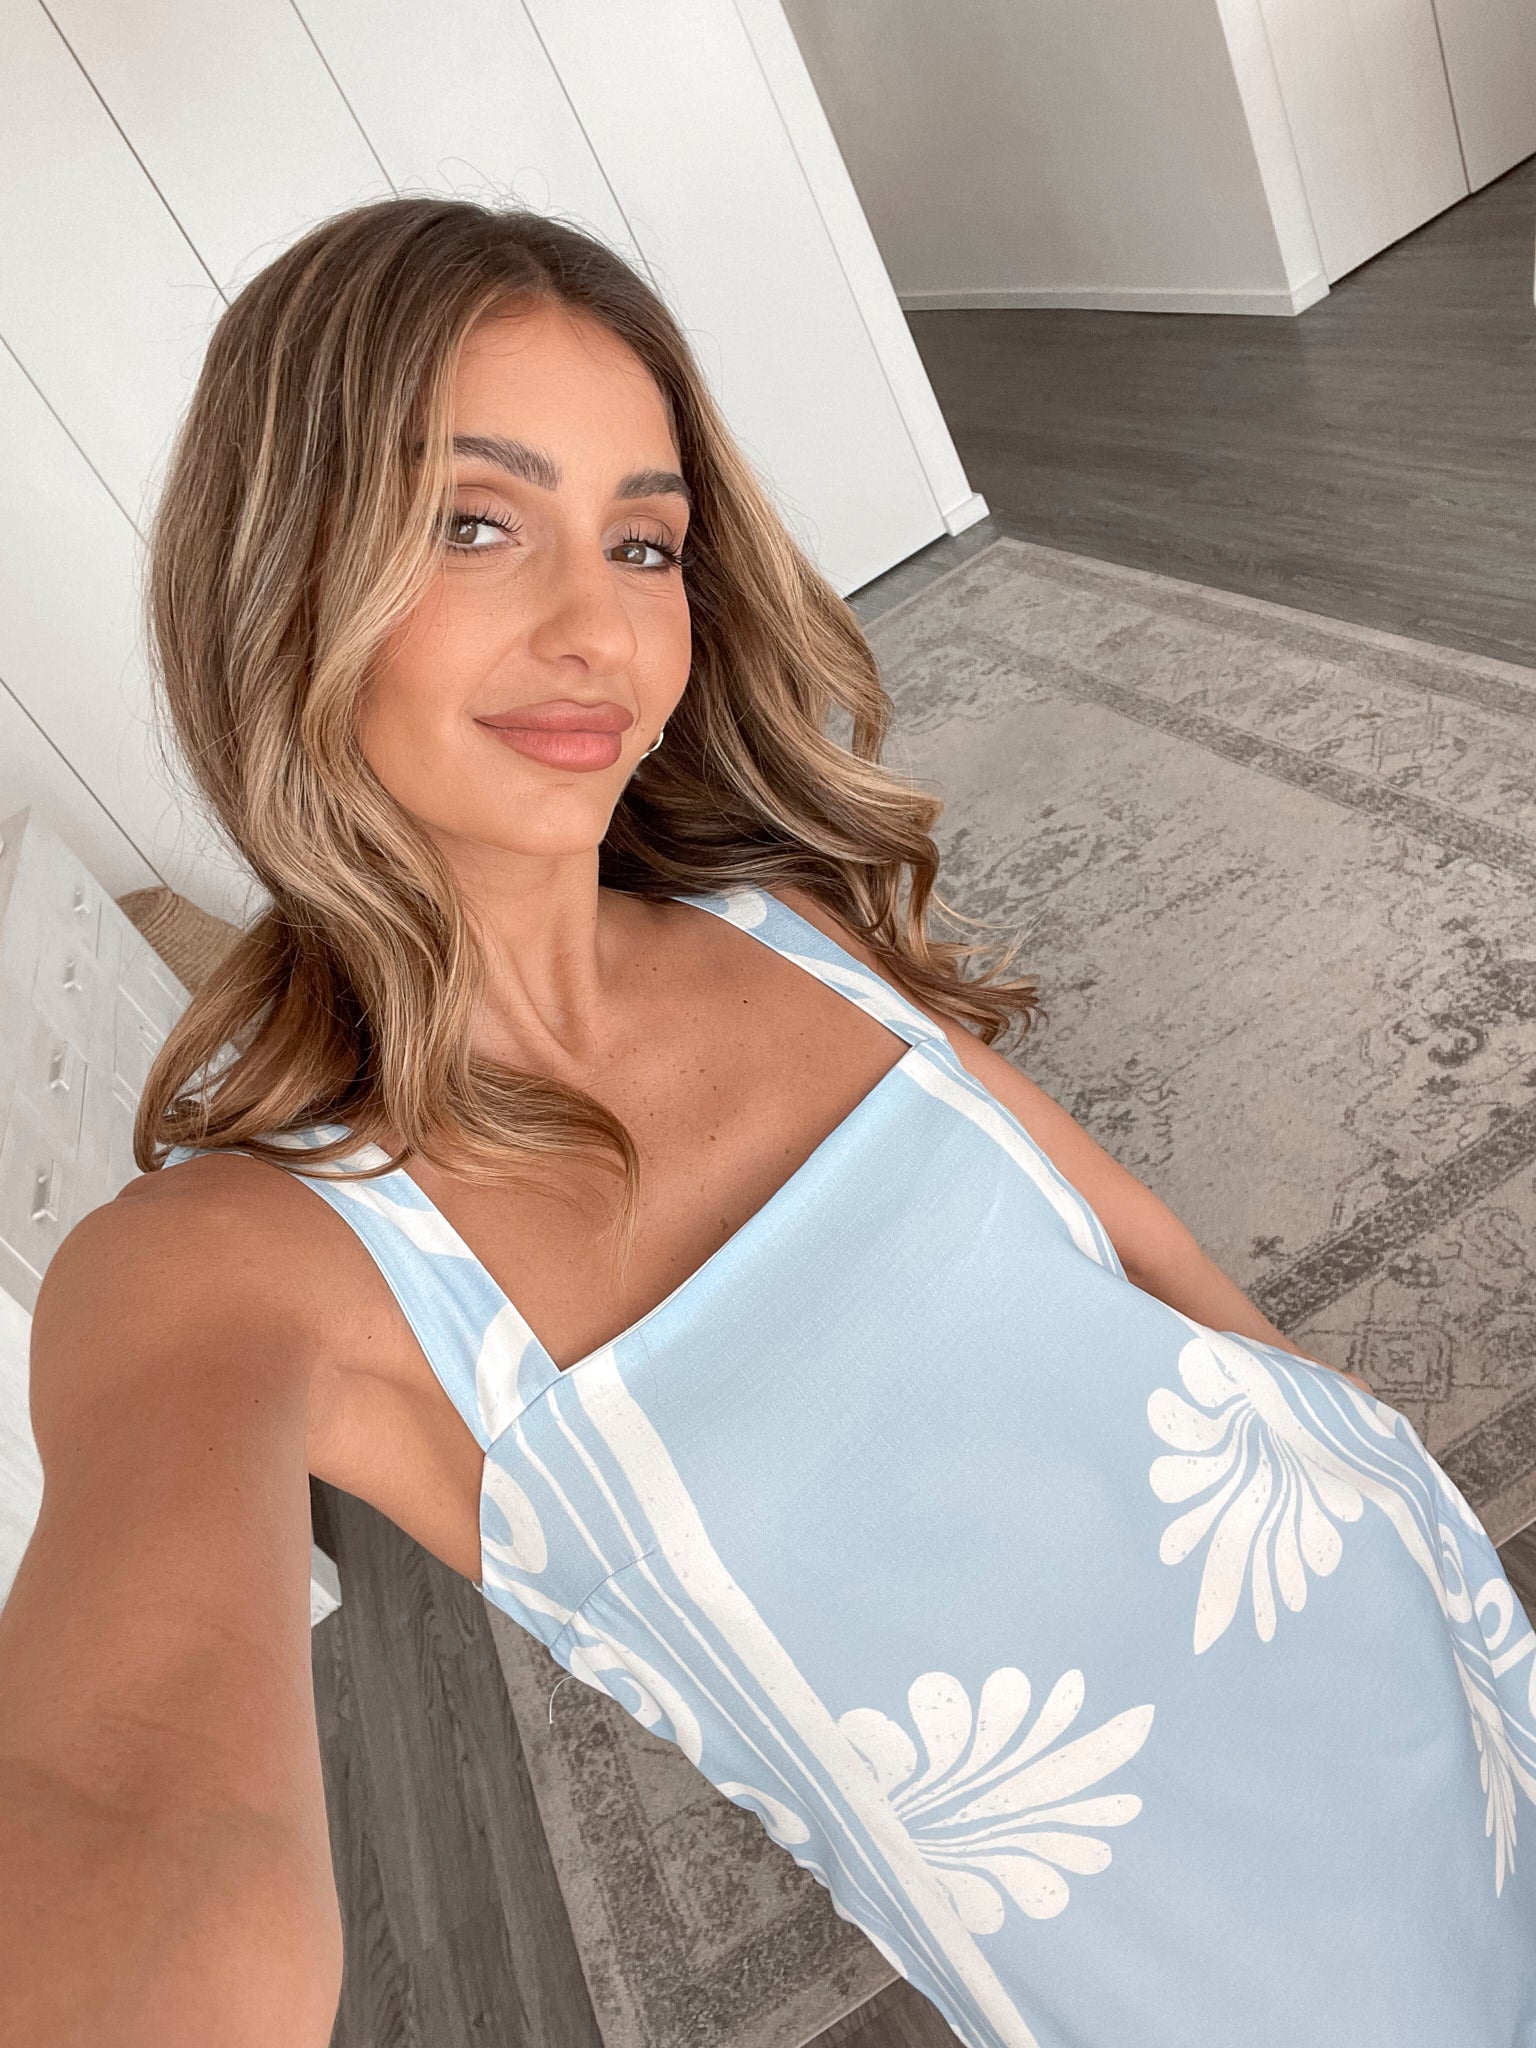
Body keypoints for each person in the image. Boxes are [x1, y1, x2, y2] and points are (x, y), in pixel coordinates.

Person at [1, 196, 1532, 2048]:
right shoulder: (234, 1263)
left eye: (644, 543)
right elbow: (124, 1806)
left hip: (1396, 1616)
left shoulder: (773, 923)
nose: (599, 629)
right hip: (1174, 1942)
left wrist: (1348, 1444)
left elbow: (1117, 1235)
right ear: (281, 571)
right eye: (474, 522)